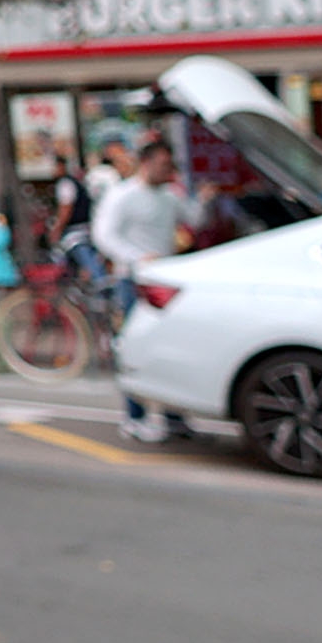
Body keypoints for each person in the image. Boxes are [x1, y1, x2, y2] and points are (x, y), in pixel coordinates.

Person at [93, 137, 201, 443]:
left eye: (171, 165)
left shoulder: (170, 195)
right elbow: (104, 235)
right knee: (134, 346)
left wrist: (205, 199)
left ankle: (175, 416)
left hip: (167, 280)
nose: (168, 170)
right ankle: (135, 417)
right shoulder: (121, 195)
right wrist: (136, 258)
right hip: (134, 281)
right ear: (147, 163)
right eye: (164, 164)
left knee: (174, 347)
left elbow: (192, 220)